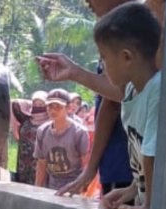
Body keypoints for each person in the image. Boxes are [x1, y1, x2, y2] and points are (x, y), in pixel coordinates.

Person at [36, 0, 135, 198]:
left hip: (128, 166)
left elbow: (124, 92)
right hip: (117, 166)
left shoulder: (140, 26)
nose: (86, 2)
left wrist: (74, 72)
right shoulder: (115, 29)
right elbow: (111, 102)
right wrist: (90, 169)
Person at [94, 2, 160, 209]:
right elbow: (140, 153)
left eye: (104, 57)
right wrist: (133, 189)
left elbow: (151, 153)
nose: (102, 65)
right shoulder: (132, 91)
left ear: (126, 57)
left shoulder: (157, 91)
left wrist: (150, 206)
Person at [34, 89, 90, 191]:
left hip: (73, 186)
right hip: (51, 185)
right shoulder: (42, 131)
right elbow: (41, 164)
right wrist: (37, 190)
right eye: (50, 106)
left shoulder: (79, 133)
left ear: (68, 108)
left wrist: (81, 188)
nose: (53, 110)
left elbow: (86, 164)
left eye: (58, 106)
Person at [12, 91, 48, 185]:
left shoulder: (49, 123)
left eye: (41, 104)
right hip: (23, 160)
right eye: (35, 104)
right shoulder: (25, 118)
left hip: (39, 161)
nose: (37, 107)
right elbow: (14, 103)